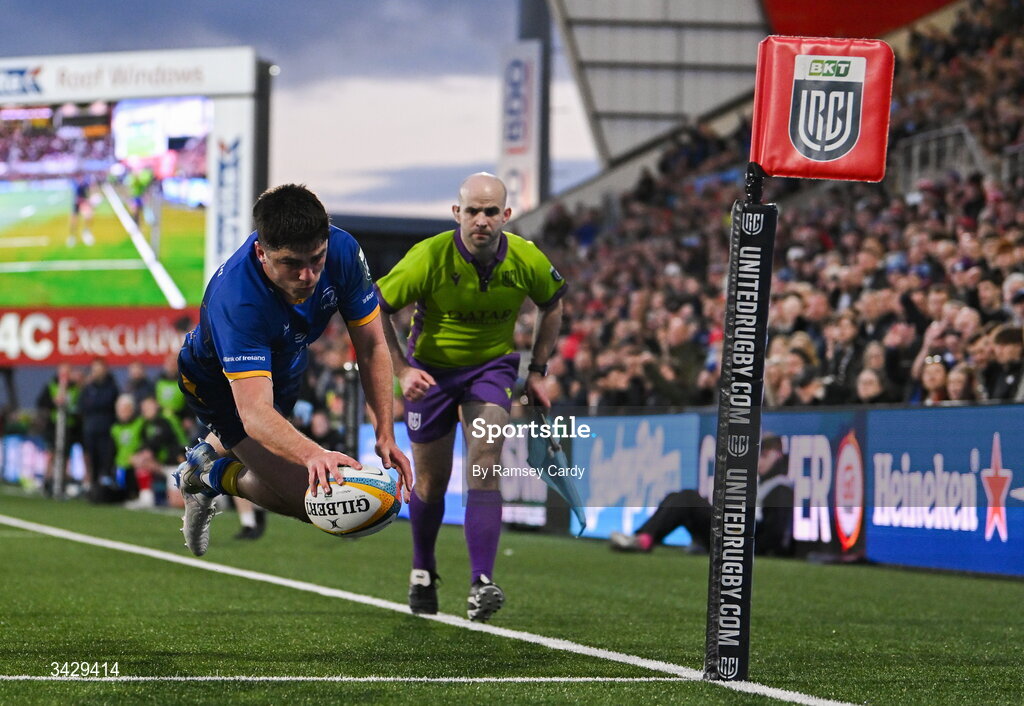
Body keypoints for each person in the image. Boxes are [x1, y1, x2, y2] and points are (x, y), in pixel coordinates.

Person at [174, 183, 411, 556]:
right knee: (313, 503)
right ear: (261, 253)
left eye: (316, 259)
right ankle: (205, 475)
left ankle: (205, 458)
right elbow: (254, 413)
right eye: (291, 264)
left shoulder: (344, 250)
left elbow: (372, 344)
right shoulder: (237, 300)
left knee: (297, 476)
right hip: (215, 381)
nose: (308, 276)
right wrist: (314, 454)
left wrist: (385, 431)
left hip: (287, 361)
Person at [376, 172, 565, 622]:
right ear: (457, 213)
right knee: (431, 483)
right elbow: (374, 306)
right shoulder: (428, 257)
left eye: (491, 212)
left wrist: (537, 371)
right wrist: (403, 369)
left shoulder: (526, 258)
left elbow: (552, 302)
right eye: (473, 211)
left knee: (484, 463)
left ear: (506, 215)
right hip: (432, 375)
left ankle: (482, 581)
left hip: (491, 369)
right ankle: (422, 569)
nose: (482, 220)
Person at [609, 434, 794, 557]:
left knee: (688, 497)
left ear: (777, 456)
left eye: (764, 455)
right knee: (675, 496)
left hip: (739, 543)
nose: (759, 461)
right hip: (733, 535)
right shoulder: (763, 483)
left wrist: (745, 554)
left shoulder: (780, 488)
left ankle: (644, 539)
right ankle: (643, 538)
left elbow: (774, 532)